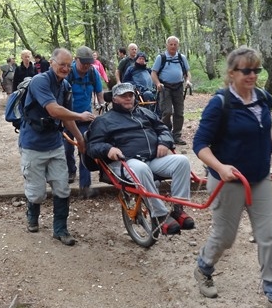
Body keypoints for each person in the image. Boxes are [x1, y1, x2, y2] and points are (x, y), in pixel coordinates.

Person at [191, 46, 272, 308]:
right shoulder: (220, 103)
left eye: (256, 70)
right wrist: (220, 167)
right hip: (228, 180)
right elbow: (199, 145)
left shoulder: (262, 98)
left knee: (268, 237)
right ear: (231, 73)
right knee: (225, 237)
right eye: (246, 70)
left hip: (259, 179)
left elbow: (267, 129)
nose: (252, 75)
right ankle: (204, 268)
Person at [87, 83, 195, 236]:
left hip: (152, 158)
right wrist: (108, 149)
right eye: (124, 96)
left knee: (182, 161)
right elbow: (93, 146)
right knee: (141, 168)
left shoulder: (144, 113)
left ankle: (178, 208)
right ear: (115, 99)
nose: (128, 98)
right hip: (125, 162)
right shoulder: (104, 120)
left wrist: (164, 142)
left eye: (131, 95)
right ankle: (159, 215)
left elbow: (163, 129)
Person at [19, 48, 96, 246]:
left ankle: (60, 229)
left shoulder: (66, 86)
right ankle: (32, 215)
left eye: (67, 65)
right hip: (33, 145)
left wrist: (80, 139)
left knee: (62, 188)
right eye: (61, 64)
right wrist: (80, 116)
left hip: (55, 144)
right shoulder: (40, 81)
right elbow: (54, 110)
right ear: (52, 63)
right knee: (37, 193)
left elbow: (65, 117)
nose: (64, 68)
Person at [65, 46, 105, 197]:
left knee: (85, 149)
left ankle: (85, 186)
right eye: (84, 63)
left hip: (85, 118)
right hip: (67, 118)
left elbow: (99, 91)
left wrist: (101, 106)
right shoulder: (68, 74)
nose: (87, 66)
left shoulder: (93, 73)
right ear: (76, 60)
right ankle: (70, 171)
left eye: (89, 63)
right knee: (67, 149)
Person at [151, 36, 192, 145]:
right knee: (167, 111)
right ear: (167, 45)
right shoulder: (161, 57)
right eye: (171, 44)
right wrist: (158, 83)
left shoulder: (181, 57)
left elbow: (187, 72)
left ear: (178, 45)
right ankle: (166, 134)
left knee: (179, 112)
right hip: (165, 87)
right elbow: (154, 73)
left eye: (175, 44)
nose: (173, 46)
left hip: (178, 87)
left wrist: (187, 81)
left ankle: (177, 135)